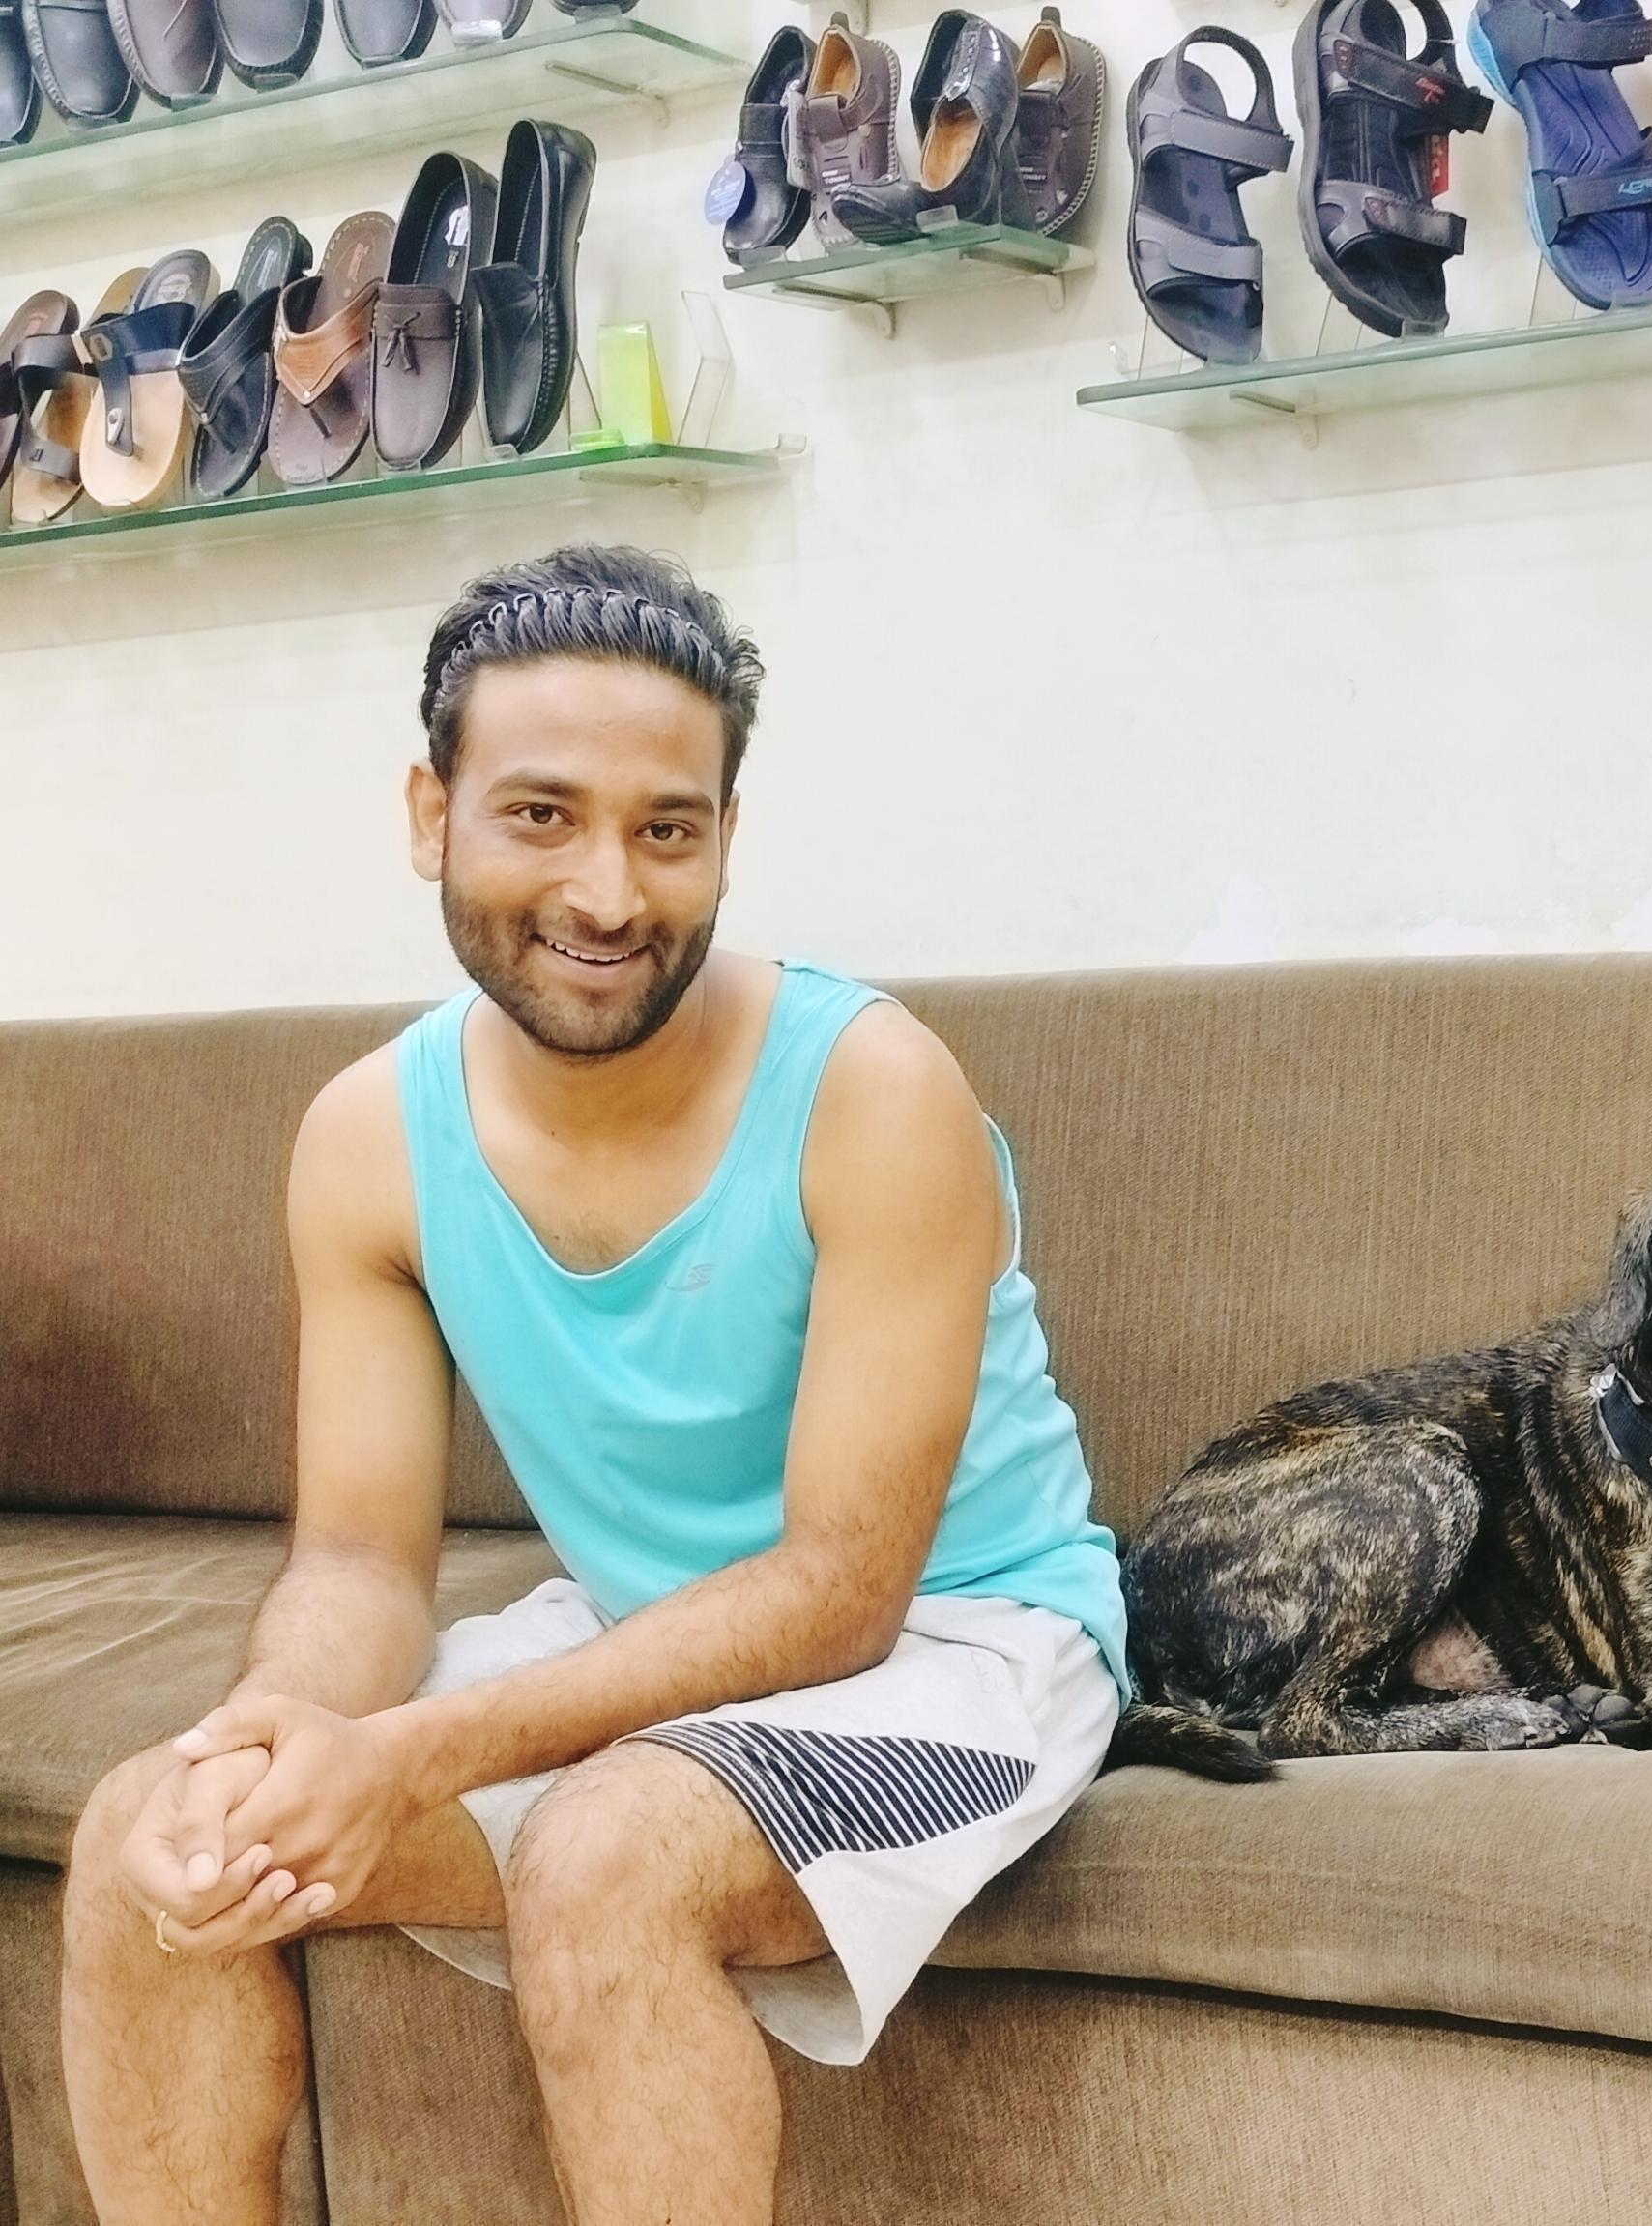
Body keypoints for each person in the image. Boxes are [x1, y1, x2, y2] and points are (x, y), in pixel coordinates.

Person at [57, 543, 1130, 2226]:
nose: (610, 895)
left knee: (605, 1859)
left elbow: (841, 1595)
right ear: (432, 814)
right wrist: (289, 1731)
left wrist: (409, 1755)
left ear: (727, 838)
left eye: (667, 830)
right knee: (163, 1836)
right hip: (642, 1641)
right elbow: (356, 1563)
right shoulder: (367, 1137)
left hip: (960, 1650)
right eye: (542, 816)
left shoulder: (873, 1091)